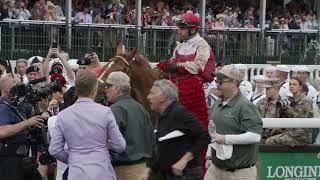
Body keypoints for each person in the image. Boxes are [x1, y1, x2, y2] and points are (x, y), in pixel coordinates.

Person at [156, 12, 215, 172]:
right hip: (179, 87)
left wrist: (178, 66)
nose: (179, 31)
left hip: (195, 91)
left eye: (182, 28)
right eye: (180, 28)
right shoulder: (180, 44)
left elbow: (198, 67)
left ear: (193, 30)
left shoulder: (202, 45)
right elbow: (172, 62)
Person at [49, 71, 126, 180]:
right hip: (102, 172)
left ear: (77, 89)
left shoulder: (63, 115)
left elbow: (55, 149)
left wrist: (73, 159)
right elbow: (120, 146)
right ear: (94, 90)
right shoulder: (105, 112)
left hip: (76, 173)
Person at [141, 79, 210, 180]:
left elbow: (204, 136)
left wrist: (183, 161)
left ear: (163, 97)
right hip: (171, 174)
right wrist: (149, 170)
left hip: (186, 174)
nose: (148, 97)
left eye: (152, 93)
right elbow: (162, 147)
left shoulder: (179, 113)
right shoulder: (162, 116)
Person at [204, 65, 263, 180]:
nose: (217, 85)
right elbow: (213, 133)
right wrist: (209, 156)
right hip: (216, 169)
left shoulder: (245, 106)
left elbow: (255, 136)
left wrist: (225, 139)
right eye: (217, 81)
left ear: (233, 83)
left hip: (240, 173)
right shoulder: (217, 104)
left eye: (221, 82)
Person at [104, 71, 153, 180]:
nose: (105, 89)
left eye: (108, 86)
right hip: (144, 169)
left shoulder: (115, 109)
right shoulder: (141, 108)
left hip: (123, 170)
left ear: (117, 89)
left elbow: (107, 141)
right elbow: (151, 138)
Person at [0, 75, 44, 180]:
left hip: (24, 158)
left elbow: (38, 110)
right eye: (19, 85)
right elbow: (2, 131)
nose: (22, 88)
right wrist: (27, 123)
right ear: (8, 89)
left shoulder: (18, 105)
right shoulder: (2, 107)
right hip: (9, 160)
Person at [266, 76, 313, 147]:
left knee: (270, 141)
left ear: (300, 87)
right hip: (290, 132)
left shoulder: (305, 101)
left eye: (294, 84)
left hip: (301, 136)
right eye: (290, 84)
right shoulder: (289, 100)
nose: (291, 86)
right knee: (267, 135)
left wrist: (291, 112)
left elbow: (303, 119)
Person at [256, 78, 282, 142]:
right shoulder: (261, 102)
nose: (266, 91)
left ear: (276, 89)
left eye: (268, 89)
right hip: (260, 133)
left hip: (275, 136)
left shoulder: (283, 103)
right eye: (265, 89)